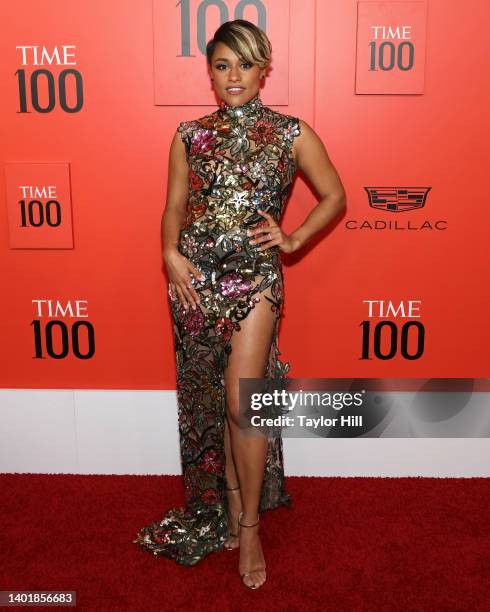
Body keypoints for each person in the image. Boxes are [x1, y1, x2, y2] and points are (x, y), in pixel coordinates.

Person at [133, 19, 346, 590]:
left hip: (254, 279)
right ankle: (228, 505)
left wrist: (294, 238)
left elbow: (335, 195)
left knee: (242, 401)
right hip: (194, 281)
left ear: (264, 68)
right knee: (210, 398)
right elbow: (172, 207)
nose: (234, 76)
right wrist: (169, 253)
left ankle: (249, 527)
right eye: (223, 65)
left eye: (245, 64)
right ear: (209, 71)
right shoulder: (187, 135)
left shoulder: (290, 133)